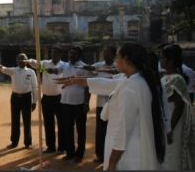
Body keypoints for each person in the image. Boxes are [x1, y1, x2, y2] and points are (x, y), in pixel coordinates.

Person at [58, 42, 166, 170]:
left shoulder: (131, 87)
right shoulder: (134, 79)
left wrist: (112, 161)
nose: (116, 60)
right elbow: (108, 83)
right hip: (132, 148)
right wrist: (78, 80)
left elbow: (123, 129)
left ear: (126, 60)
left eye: (117, 57)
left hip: (129, 153)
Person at [159, 44, 192, 170]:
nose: (160, 60)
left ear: (170, 61)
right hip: (166, 124)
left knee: (172, 156)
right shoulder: (164, 78)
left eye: (162, 58)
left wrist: (170, 129)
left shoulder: (177, 79)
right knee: (166, 156)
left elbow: (179, 106)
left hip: (173, 126)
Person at [82, 45, 118, 163]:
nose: (105, 55)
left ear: (113, 55)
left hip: (115, 105)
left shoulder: (118, 67)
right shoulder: (97, 66)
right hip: (101, 105)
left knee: (113, 131)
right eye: (104, 52)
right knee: (101, 131)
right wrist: (86, 102)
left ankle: (112, 155)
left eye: (107, 52)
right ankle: (100, 155)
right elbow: (89, 82)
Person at [0, 53, 38, 149]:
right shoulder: (13, 71)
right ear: (16, 61)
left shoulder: (31, 72)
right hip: (15, 98)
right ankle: (14, 142)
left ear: (27, 61)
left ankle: (28, 142)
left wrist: (34, 101)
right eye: (19, 60)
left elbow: (35, 87)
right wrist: (0, 67)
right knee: (15, 120)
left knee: (27, 121)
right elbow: (5, 69)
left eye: (23, 60)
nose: (21, 62)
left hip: (27, 98)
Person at [59, 46, 89, 162]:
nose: (71, 55)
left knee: (80, 129)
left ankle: (79, 154)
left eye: (74, 54)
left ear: (79, 55)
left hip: (79, 103)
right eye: (70, 53)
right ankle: (70, 152)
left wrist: (86, 102)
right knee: (67, 128)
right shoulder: (65, 65)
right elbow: (56, 70)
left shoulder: (83, 66)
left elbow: (87, 86)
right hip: (65, 102)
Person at [35, 46, 66, 154]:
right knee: (48, 123)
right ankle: (50, 146)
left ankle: (62, 147)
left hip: (59, 98)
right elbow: (35, 63)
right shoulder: (44, 63)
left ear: (60, 55)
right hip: (46, 98)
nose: (53, 55)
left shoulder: (64, 65)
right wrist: (29, 61)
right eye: (52, 53)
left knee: (62, 124)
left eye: (55, 53)